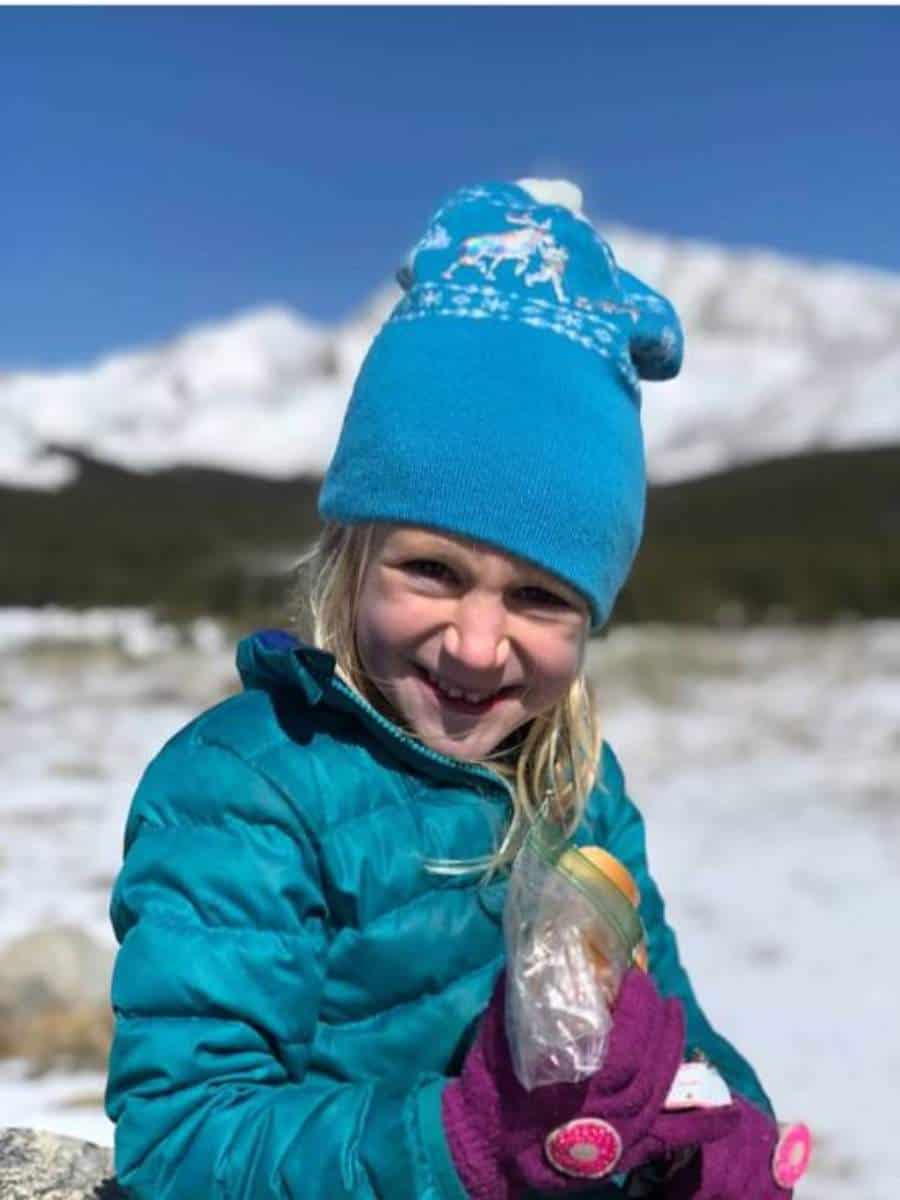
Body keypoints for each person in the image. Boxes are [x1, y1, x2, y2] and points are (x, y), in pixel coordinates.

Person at [104, 179, 808, 1199]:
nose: (479, 646)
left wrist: (716, 1121)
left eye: (538, 596)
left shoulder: (577, 781)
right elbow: (179, 1142)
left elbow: (665, 1013)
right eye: (431, 571)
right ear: (351, 555)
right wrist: (464, 1136)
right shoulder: (248, 790)